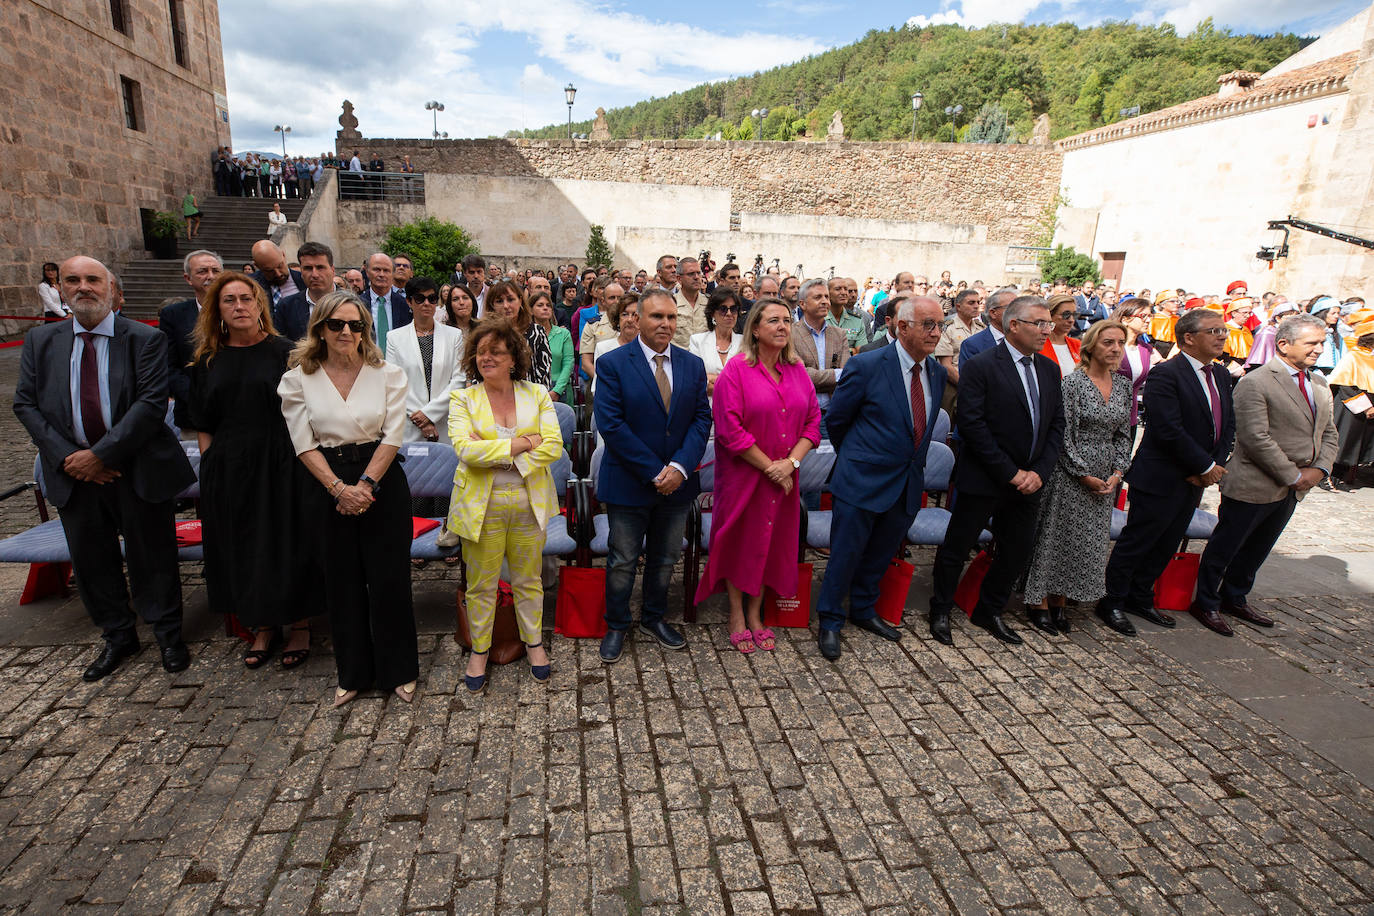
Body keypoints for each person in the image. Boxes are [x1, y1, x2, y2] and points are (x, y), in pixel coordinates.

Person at [13, 256, 196, 681]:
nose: (83, 288)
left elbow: (150, 405)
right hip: (73, 475)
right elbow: (26, 404)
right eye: (73, 280)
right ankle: (117, 636)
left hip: (137, 469)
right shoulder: (41, 341)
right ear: (60, 290)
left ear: (111, 289)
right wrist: (70, 459)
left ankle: (168, 635)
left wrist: (102, 456)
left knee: (153, 557)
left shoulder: (143, 340)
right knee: (93, 560)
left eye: (93, 280)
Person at [278, 291, 419, 706]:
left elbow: (394, 434)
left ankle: (400, 670)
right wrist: (339, 489)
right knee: (341, 583)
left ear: (365, 330)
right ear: (319, 327)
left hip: (381, 481)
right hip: (326, 483)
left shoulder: (388, 373)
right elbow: (302, 443)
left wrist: (366, 487)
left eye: (355, 325)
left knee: (391, 579)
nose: (346, 332)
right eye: (336, 324)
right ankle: (353, 673)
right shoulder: (297, 378)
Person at [188, 272, 312, 668]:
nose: (239, 306)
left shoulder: (285, 352)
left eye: (247, 298)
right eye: (229, 300)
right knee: (245, 546)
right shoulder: (207, 360)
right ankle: (262, 626)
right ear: (217, 310)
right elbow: (204, 421)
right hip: (230, 465)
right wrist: (211, 470)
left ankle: (301, 623)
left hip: (282, 460)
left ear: (260, 304)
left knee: (288, 542)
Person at [815, 297, 947, 661]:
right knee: (846, 554)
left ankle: (863, 608)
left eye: (940, 325)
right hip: (861, 479)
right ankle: (829, 619)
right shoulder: (868, 365)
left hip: (906, 481)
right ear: (902, 327)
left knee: (880, 553)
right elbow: (838, 421)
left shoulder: (934, 371)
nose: (936, 333)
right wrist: (859, 460)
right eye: (928, 325)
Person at [929, 295, 1065, 647]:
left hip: (1030, 481)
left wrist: (1038, 472)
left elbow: (1055, 426)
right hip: (986, 478)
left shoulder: (1049, 369)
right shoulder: (983, 365)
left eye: (1048, 324)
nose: (1046, 330)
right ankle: (940, 609)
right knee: (957, 547)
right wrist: (1011, 472)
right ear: (1014, 325)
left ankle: (989, 609)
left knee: (1017, 550)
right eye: (1039, 323)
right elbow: (972, 425)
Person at [1193, 315, 1339, 634]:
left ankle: (1235, 596)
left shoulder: (1319, 383)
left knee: (1259, 547)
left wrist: (1319, 469)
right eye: (1311, 343)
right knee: (1226, 546)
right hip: (1255, 483)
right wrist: (1293, 474)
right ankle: (1205, 602)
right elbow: (1255, 437)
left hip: (1293, 487)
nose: (1319, 349)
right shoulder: (1257, 382)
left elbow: (1328, 432)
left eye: (1322, 343)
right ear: (1284, 345)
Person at [1098, 308, 1235, 636]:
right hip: (1163, 475)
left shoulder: (1220, 375)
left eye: (1223, 331)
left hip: (1196, 478)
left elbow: (1226, 425)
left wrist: (1213, 466)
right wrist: (1202, 466)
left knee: (1168, 541)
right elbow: (1167, 429)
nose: (1222, 337)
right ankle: (1112, 600)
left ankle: (1141, 596)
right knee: (1140, 539)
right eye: (1213, 331)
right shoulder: (1167, 373)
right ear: (1189, 338)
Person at [695, 299, 820, 653]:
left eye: (786, 320)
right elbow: (730, 430)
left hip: (784, 479)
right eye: (773, 321)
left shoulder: (797, 370)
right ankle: (736, 613)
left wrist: (790, 465)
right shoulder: (736, 371)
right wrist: (770, 467)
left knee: (772, 544)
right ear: (755, 329)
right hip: (744, 477)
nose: (782, 326)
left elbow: (813, 422)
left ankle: (755, 612)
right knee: (741, 542)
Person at [594, 289, 712, 662]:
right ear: (638, 319)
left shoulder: (692, 365)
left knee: (664, 558)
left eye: (671, 318)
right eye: (657, 317)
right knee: (623, 558)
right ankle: (616, 623)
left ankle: (654, 617)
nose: (665, 324)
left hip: (677, 484)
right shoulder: (613, 363)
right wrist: (653, 471)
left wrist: (678, 468)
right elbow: (611, 426)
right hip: (630, 481)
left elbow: (700, 419)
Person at [447, 320, 563, 692]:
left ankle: (534, 644)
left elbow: (554, 445)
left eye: (495, 351)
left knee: (529, 579)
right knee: (481, 583)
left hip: (530, 502)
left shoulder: (538, 394)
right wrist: (520, 444)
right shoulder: (463, 399)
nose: (486, 358)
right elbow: (465, 450)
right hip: (481, 505)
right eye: (481, 351)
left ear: (514, 357)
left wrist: (495, 452)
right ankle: (480, 649)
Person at [1020, 320, 1133, 634]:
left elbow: (1124, 434)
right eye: (1108, 342)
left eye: (1121, 343)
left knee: (1086, 543)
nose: (1115, 349)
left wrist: (1117, 471)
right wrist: (1083, 473)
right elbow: (1063, 434)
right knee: (1057, 537)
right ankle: (1038, 599)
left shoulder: (1124, 385)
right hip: (1069, 473)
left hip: (1107, 476)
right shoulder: (1073, 383)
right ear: (1091, 346)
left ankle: (1061, 597)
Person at [159, 249, 224, 431]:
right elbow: (168, 366)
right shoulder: (173, 315)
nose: (210, 276)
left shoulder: (242, 310)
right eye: (202, 271)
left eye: (215, 271)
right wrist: (197, 397)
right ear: (188, 278)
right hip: (193, 414)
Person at [1327, 309, 1374, 488]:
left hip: (1369, 409)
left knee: (1357, 445)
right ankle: (1329, 476)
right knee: (1344, 442)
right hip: (1352, 407)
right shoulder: (1354, 356)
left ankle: (1343, 477)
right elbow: (1345, 385)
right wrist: (1366, 407)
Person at [791, 279, 849, 418]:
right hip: (803, 413)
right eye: (818, 297)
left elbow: (847, 374)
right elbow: (800, 375)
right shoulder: (790, 334)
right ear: (802, 304)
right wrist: (835, 375)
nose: (825, 301)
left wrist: (817, 377)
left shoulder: (839, 334)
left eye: (826, 297)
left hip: (835, 412)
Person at [484, 279, 552, 389]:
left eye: (511, 299)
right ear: (492, 305)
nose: (506, 306)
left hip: (530, 397)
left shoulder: (537, 332)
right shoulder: (485, 334)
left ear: (520, 301)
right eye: (499, 301)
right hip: (494, 397)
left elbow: (544, 371)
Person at [934, 288, 985, 416]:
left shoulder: (982, 328)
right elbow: (946, 365)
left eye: (978, 302)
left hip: (980, 387)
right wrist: (968, 386)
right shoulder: (947, 328)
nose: (976, 306)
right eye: (971, 303)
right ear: (958, 306)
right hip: (954, 386)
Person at [688, 287, 744, 401]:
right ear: (713, 313)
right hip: (707, 411)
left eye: (733, 309)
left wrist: (712, 379)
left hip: (737, 410)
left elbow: (748, 383)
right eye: (723, 309)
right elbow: (696, 382)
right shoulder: (697, 341)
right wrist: (734, 383)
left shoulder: (745, 343)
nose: (729, 314)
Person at [273, 241, 336, 343]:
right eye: (308, 268)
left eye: (320, 267)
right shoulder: (286, 306)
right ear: (301, 272)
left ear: (332, 270)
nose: (314, 274)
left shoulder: (355, 303)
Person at [1112, 300, 1155, 430]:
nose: (1148, 320)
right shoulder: (1107, 345)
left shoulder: (1145, 349)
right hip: (1101, 416)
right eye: (1143, 316)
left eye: (1150, 316)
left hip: (1129, 418)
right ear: (1125, 319)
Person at [361, 252, 412, 352]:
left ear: (393, 274)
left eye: (386, 270)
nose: (381, 274)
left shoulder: (404, 305)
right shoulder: (358, 304)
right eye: (376, 269)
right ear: (367, 272)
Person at [592, 295, 640, 396]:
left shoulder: (649, 349)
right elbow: (597, 389)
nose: (630, 320)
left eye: (635, 315)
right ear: (617, 318)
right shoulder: (603, 348)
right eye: (624, 314)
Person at [531, 291, 573, 402]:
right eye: (540, 305)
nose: (545, 308)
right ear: (531, 309)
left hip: (560, 388)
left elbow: (568, 363)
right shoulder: (526, 335)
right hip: (533, 389)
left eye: (548, 305)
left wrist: (556, 390)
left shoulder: (563, 334)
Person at [249, 240, 304, 309]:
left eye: (280, 266)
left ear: (283, 255)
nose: (278, 274)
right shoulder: (250, 285)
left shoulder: (304, 280)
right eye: (270, 271)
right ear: (257, 266)